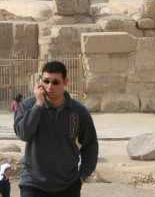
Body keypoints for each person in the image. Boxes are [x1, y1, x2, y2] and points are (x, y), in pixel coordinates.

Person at [14, 60, 98, 196]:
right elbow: (23, 134)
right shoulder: (29, 105)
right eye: (46, 81)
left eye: (55, 82)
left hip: (68, 185)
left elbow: (90, 146)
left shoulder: (78, 111)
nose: (49, 86)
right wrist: (38, 104)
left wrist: (81, 177)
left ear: (65, 82)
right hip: (33, 184)